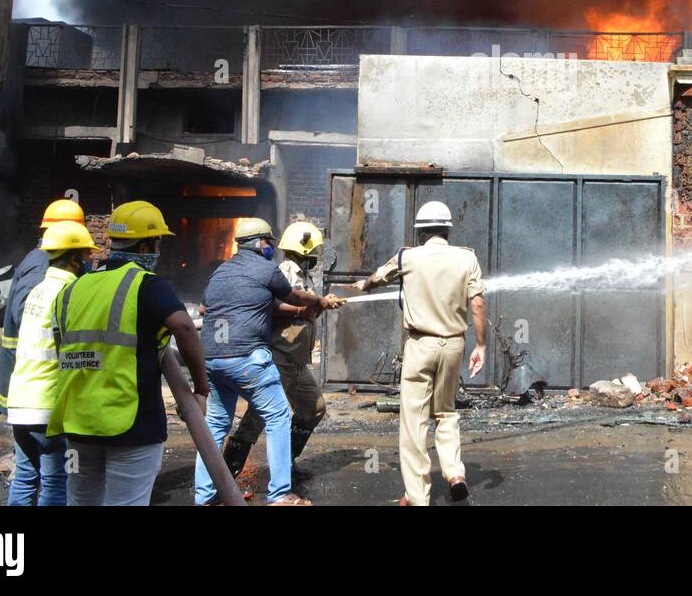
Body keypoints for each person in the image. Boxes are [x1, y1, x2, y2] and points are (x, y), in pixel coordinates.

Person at [46, 200, 207, 506]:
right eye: (157, 243)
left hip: (78, 423)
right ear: (147, 246)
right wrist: (201, 389)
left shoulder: (71, 290)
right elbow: (185, 328)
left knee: (81, 503)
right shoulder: (146, 284)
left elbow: (62, 350)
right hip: (132, 424)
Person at [195, 217, 341, 506]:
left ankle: (206, 496)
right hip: (258, 356)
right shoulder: (271, 270)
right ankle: (278, 493)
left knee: (216, 424)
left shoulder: (222, 271)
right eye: (266, 242)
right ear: (260, 243)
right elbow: (293, 298)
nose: (269, 248)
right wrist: (316, 302)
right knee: (273, 418)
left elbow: (203, 308)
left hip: (213, 357)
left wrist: (315, 305)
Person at [351, 200, 487, 506]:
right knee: (446, 411)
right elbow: (477, 304)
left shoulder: (407, 257)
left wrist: (363, 285)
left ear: (421, 231)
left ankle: (418, 497)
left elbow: (377, 278)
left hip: (420, 345)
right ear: (448, 230)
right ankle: (455, 474)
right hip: (453, 345)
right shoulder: (467, 258)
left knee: (414, 423)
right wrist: (481, 346)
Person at [0, 198, 83, 505]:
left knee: (25, 474)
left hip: (22, 396)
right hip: (47, 403)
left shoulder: (42, 283)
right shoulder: (61, 286)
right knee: (56, 480)